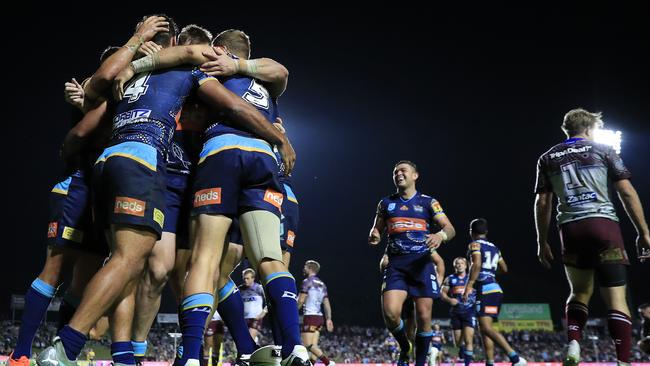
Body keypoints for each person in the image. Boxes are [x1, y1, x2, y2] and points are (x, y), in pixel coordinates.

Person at [534, 108, 650, 365]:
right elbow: (627, 192)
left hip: (571, 230)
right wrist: (644, 232)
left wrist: (542, 242)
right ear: (589, 129)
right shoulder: (604, 150)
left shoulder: (548, 157)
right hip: (603, 225)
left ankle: (574, 343)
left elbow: (543, 203)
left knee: (579, 293)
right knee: (617, 299)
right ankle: (622, 360)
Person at [368, 160, 455, 366]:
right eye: (395, 171)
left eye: (403, 170)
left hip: (422, 265)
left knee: (424, 317)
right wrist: (375, 235)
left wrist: (440, 235)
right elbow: (377, 229)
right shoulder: (386, 203)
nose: (398, 174)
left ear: (415, 175)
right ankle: (405, 346)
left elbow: (450, 228)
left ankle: (420, 362)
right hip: (396, 265)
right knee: (390, 313)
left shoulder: (428, 202)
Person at [463, 218, 526, 366]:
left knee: (485, 327)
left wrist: (470, 285)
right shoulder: (495, 247)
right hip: (495, 289)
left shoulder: (474, 244)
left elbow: (476, 263)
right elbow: (504, 268)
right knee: (485, 328)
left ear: (471, 232)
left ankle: (515, 358)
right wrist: (490, 272)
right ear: (486, 232)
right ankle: (490, 362)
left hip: (484, 289)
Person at [298, 260, 334, 366]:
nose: (303, 269)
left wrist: (293, 312)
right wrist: (329, 318)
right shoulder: (322, 284)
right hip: (319, 317)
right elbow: (326, 303)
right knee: (314, 345)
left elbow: (301, 300)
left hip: (310, 316)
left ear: (310, 268)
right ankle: (312, 364)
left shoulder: (306, 281)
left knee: (307, 344)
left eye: (305, 267)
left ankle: (328, 363)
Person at [440, 257, 476, 366]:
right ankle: (461, 349)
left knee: (469, 340)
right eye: (457, 263)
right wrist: (449, 299)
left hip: (470, 312)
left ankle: (467, 364)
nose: (459, 265)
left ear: (466, 266)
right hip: (456, 313)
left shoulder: (472, 279)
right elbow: (442, 293)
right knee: (458, 342)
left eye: (461, 263)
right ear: (454, 266)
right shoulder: (450, 279)